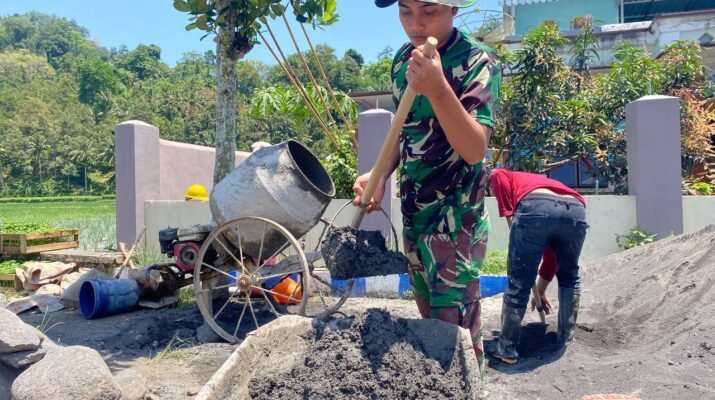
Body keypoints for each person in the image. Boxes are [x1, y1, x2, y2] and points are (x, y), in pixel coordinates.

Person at [354, 0, 501, 373]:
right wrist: (380, 173)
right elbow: (404, 130)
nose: (416, 23)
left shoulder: (478, 60)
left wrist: (437, 89)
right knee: (427, 328)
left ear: (453, 9)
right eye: (405, 11)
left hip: (455, 224)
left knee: (455, 337)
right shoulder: (403, 61)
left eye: (428, 10)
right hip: (414, 218)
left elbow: (474, 149)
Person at [488, 168, 588, 364]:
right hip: (576, 208)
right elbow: (552, 260)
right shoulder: (537, 181)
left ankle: (506, 349)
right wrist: (540, 292)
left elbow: (496, 174)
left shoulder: (508, 175)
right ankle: (566, 340)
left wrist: (510, 215)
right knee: (569, 275)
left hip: (536, 206)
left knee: (519, 280)